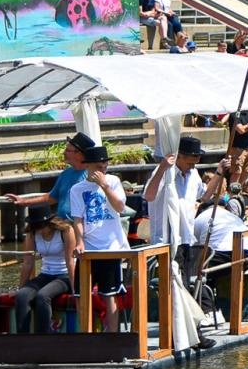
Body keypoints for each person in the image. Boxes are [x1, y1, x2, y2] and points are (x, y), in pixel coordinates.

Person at [68, 144, 129, 331]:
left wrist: (104, 185)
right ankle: (85, 335)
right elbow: (77, 219)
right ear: (88, 166)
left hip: (111, 247)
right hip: (89, 248)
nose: (102, 170)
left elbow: (120, 207)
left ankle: (112, 334)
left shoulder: (114, 181)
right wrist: (79, 241)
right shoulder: (77, 189)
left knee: (109, 294)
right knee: (81, 294)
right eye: (98, 167)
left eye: (104, 166)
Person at [143, 135, 205, 267]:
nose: (192, 167)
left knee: (184, 282)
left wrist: (219, 172)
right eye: (190, 163)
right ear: (179, 156)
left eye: (195, 163)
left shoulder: (194, 174)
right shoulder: (165, 172)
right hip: (166, 239)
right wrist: (162, 168)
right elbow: (148, 196)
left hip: (186, 237)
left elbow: (204, 196)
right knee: (171, 282)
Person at [14, 206, 74, 334]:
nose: (39, 230)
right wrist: (21, 287)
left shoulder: (66, 231)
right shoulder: (32, 234)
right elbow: (27, 263)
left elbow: (70, 262)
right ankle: (22, 338)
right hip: (45, 274)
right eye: (36, 227)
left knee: (42, 296)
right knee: (21, 296)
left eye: (41, 226)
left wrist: (76, 290)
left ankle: (44, 336)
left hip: (64, 275)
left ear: (49, 222)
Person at [229, 109, 248, 189]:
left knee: (246, 173)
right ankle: (233, 193)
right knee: (236, 173)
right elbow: (240, 130)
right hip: (237, 149)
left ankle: (243, 193)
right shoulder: (234, 114)